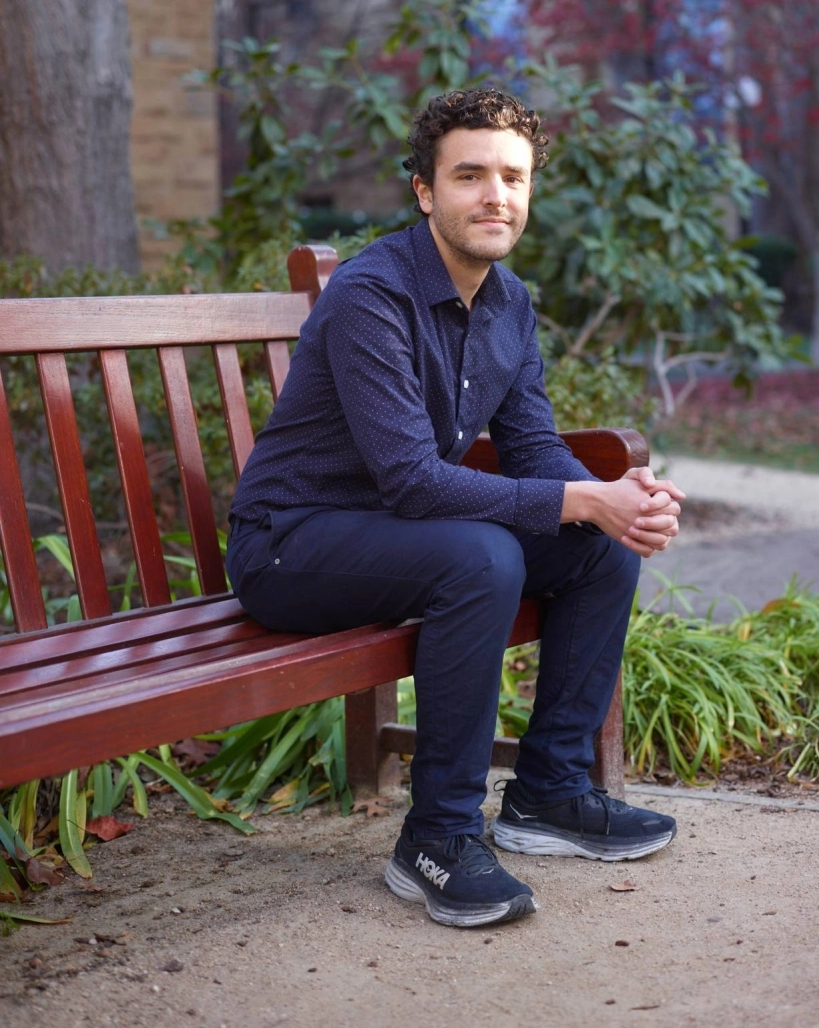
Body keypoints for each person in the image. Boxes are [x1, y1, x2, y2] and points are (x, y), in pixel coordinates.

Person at [226, 87, 684, 928]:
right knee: (483, 557)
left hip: (398, 537)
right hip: (289, 544)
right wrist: (583, 495)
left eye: (512, 177)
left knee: (598, 546)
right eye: (469, 175)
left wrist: (617, 503)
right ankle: (436, 836)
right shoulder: (373, 293)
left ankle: (549, 791)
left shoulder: (510, 303)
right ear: (425, 191)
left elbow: (534, 448)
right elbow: (413, 479)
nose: (495, 195)